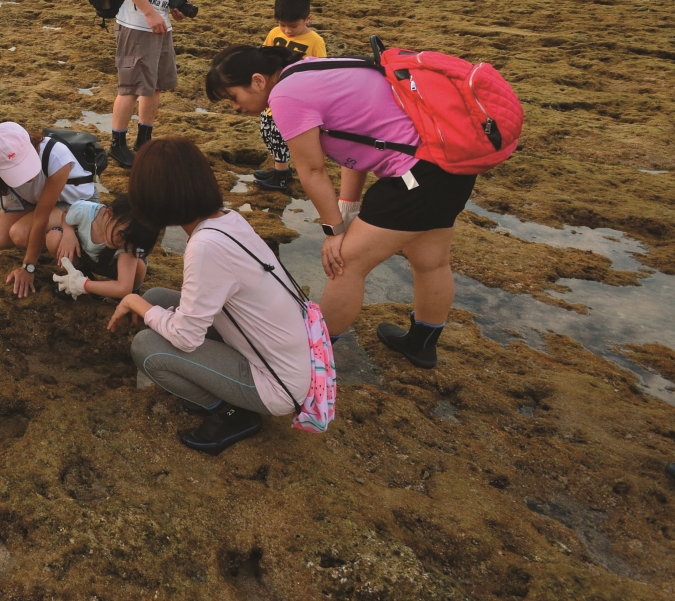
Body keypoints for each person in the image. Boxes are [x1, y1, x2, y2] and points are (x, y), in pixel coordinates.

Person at [204, 44, 478, 368]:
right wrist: (347, 207)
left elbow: (312, 170)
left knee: (345, 262)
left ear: (258, 81)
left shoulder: (285, 96)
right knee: (431, 261)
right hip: (451, 165)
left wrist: (334, 232)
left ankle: (312, 359)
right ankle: (421, 344)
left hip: (417, 177)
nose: (234, 107)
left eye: (233, 97)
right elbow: (358, 140)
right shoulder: (316, 69)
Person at [114, 137, 312, 454]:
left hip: (278, 384)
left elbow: (186, 338)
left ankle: (231, 413)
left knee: (147, 348)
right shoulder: (226, 218)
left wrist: (133, 300)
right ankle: (217, 389)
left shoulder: (205, 247)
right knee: (156, 297)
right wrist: (146, 304)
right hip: (288, 353)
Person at [108, 0, 227, 169]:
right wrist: (149, 13)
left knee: (155, 85)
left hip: (159, 25)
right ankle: (117, 145)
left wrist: (171, 5)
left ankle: (144, 141)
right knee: (131, 86)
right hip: (137, 24)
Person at [0, 122, 97, 298]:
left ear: (32, 146)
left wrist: (28, 267)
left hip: (74, 202)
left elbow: (41, 217)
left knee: (20, 234)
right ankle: (44, 238)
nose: (26, 175)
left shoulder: (57, 157)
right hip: (36, 200)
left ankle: (61, 238)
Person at [254, 0, 327, 193]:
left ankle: (281, 176)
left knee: (279, 135)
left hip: (294, 99)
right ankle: (281, 170)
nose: (286, 30)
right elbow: (264, 57)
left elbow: (320, 71)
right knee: (267, 132)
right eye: (282, 25)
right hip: (273, 95)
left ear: (308, 19)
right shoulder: (273, 33)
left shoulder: (315, 41)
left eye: (293, 26)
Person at [50, 194, 158, 300]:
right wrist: (68, 233)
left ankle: (104, 290)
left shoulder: (128, 243)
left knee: (138, 265)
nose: (121, 244)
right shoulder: (85, 210)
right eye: (121, 234)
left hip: (114, 268)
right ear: (109, 214)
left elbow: (124, 288)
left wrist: (82, 285)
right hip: (86, 257)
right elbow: (66, 214)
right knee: (53, 237)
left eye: (131, 241)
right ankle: (81, 275)